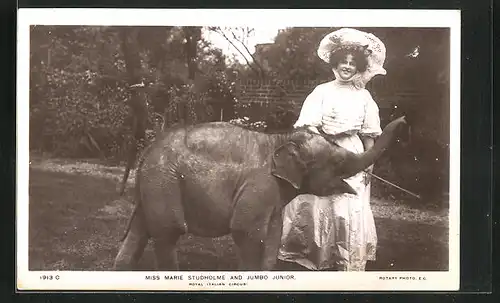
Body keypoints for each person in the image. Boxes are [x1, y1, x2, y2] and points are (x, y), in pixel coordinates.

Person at [277, 28, 388, 271]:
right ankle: (316, 254)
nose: (346, 67)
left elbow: (370, 139)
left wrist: (368, 165)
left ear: (358, 67)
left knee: (345, 205)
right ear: (334, 64)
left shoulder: (364, 97)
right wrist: (322, 147)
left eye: (351, 63)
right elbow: (307, 127)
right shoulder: (322, 92)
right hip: (321, 150)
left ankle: (344, 257)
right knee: (318, 201)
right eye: (342, 62)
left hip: (352, 153)